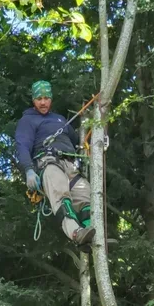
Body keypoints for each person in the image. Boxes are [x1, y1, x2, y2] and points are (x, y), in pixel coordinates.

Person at [15, 80, 95, 249]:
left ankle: (90, 235)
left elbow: (77, 141)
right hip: (48, 162)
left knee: (85, 195)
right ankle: (75, 233)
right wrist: (29, 170)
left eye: (46, 98)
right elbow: (22, 146)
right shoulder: (28, 120)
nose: (43, 102)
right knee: (60, 193)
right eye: (39, 99)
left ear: (51, 99)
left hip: (70, 164)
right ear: (33, 101)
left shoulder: (59, 119)